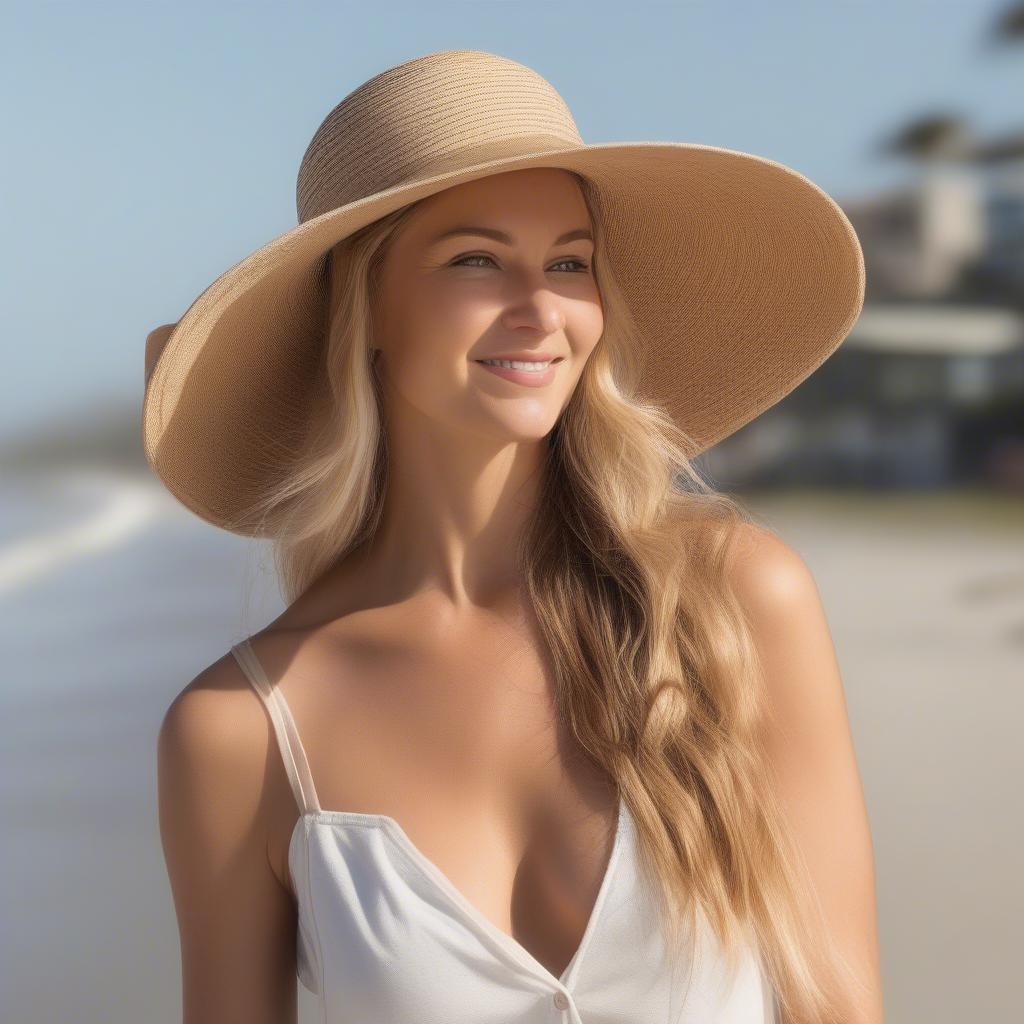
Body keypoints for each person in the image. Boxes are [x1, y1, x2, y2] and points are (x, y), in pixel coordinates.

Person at [148, 50, 883, 1024]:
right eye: (477, 259)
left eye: (569, 262)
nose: (540, 311)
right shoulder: (243, 728)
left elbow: (839, 1007)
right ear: (362, 305)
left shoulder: (733, 600)